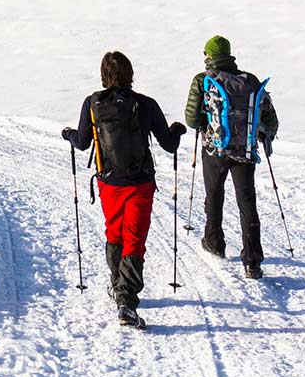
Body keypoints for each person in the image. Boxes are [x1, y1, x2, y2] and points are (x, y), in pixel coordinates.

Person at [63, 50, 186, 327]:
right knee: (134, 238)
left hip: (109, 183)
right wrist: (177, 130)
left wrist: (68, 134)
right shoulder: (146, 104)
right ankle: (126, 300)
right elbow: (169, 144)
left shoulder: (92, 102)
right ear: (130, 73)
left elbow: (82, 142)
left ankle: (118, 286)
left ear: (104, 75)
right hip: (140, 183)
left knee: (115, 232)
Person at [184, 35, 279, 279]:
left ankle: (214, 242)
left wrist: (208, 124)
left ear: (209, 56)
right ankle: (252, 260)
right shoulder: (250, 81)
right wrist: (262, 135)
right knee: (247, 201)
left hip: (215, 148)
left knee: (214, 194)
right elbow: (269, 117)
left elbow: (192, 118)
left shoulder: (203, 80)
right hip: (245, 151)